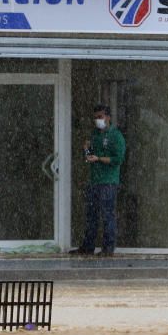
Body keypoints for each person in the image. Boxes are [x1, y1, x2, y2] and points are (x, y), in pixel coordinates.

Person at [70, 104, 126, 257]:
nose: (97, 120)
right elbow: (90, 158)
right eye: (95, 118)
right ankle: (88, 246)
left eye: (100, 117)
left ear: (108, 117)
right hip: (94, 181)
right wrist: (86, 149)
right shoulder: (95, 135)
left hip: (108, 181)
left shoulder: (116, 136)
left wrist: (99, 158)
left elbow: (118, 159)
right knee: (91, 215)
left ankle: (108, 248)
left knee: (107, 215)